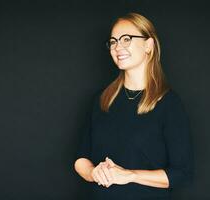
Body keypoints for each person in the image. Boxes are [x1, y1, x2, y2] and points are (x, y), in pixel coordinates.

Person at [73, 12, 193, 200]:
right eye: (113, 42)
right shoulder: (102, 99)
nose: (117, 47)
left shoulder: (168, 103)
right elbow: (81, 159)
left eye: (126, 39)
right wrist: (93, 172)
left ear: (148, 45)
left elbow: (182, 173)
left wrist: (130, 175)